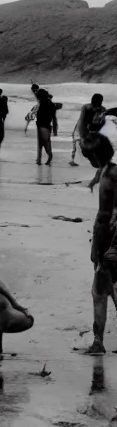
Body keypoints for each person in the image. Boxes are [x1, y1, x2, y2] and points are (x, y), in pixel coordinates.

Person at [90, 133, 117, 352]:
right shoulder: (104, 171)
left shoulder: (114, 174)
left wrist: (113, 247)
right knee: (102, 289)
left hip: (111, 238)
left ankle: (98, 341)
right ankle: (98, 341)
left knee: (104, 289)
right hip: (102, 237)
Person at [74, 94, 106, 167]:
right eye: (101, 100)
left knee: (82, 145)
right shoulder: (102, 109)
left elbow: (81, 120)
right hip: (91, 129)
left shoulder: (86, 107)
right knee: (91, 145)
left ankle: (75, 160)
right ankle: (94, 161)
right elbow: (103, 122)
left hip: (87, 128)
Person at [37, 89, 61, 165]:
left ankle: (49, 156)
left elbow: (54, 118)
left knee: (44, 143)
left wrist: (55, 129)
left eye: (40, 97)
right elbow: (54, 118)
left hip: (45, 126)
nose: (39, 99)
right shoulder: (44, 103)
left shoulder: (48, 104)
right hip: (42, 125)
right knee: (42, 143)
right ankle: (39, 159)